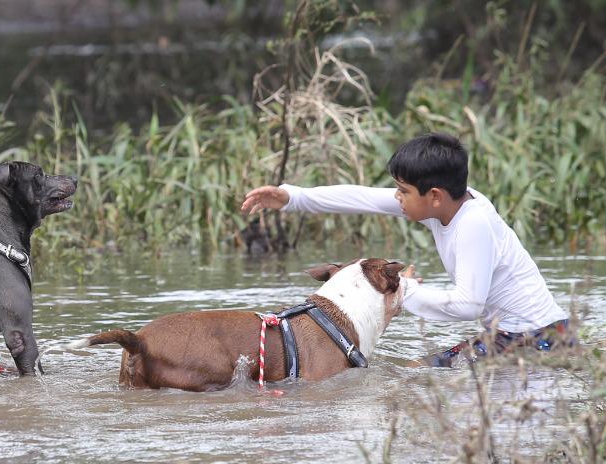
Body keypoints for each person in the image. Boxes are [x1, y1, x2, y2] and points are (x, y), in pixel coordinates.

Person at [241, 131, 573, 367]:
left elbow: (469, 305)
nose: (396, 197)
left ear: (435, 195)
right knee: (420, 373)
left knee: (416, 376)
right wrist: (293, 197)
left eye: (402, 191)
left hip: (536, 338)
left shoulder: (474, 223)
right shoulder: (445, 204)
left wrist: (400, 291)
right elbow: (364, 198)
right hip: (521, 335)